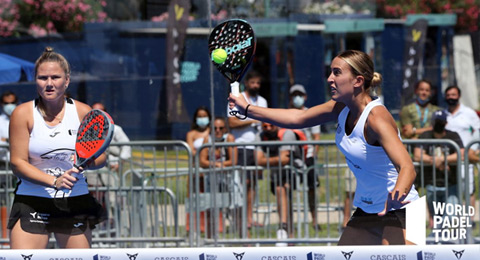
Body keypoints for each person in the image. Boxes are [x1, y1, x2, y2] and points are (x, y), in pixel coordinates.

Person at [229, 50, 419, 245]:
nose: (329, 79)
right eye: (330, 72)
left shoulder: (376, 118)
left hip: (403, 207)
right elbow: (298, 118)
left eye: (337, 73)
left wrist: (397, 195)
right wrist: (247, 109)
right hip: (368, 207)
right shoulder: (341, 108)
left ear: (358, 81)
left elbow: (407, 167)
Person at [7, 47, 107, 249]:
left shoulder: (82, 112)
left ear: (67, 80)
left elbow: (100, 158)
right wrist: (54, 181)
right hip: (32, 201)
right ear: (36, 80)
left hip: (74, 200)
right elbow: (17, 163)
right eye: (43, 78)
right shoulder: (22, 113)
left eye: (55, 77)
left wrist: (85, 162)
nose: (49, 83)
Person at [228, 70, 268, 229]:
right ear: (247, 83)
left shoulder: (263, 101)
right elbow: (232, 122)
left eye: (258, 83)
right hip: (241, 146)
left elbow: (266, 121)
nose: (255, 86)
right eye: (253, 83)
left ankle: (249, 217)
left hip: (257, 147)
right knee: (240, 184)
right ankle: (240, 219)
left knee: (252, 185)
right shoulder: (236, 99)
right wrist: (252, 119)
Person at [413, 110, 464, 228]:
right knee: (436, 217)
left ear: (446, 123)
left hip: (451, 184)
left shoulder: (453, 136)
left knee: (450, 217)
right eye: (437, 122)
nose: (439, 124)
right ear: (432, 122)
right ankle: (437, 242)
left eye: (441, 122)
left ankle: (440, 240)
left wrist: (442, 159)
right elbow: (417, 155)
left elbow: (461, 153)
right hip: (432, 184)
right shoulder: (425, 135)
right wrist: (434, 160)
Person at [256, 122, 298, 246]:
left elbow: (285, 159)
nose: (268, 128)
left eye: (271, 125)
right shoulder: (260, 136)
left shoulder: (287, 133)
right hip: (276, 173)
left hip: (295, 169)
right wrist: (276, 160)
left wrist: (266, 161)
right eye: (265, 126)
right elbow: (258, 160)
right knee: (284, 199)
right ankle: (289, 234)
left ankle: (283, 228)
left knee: (282, 190)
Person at [443, 85, 480, 221]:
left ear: (458, 96)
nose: (451, 97)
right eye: (448, 95)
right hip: (450, 160)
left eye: (453, 95)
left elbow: (478, 130)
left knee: (468, 190)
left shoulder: (469, 113)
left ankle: (469, 221)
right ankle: (456, 221)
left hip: (466, 159)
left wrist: (474, 149)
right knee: (453, 190)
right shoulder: (444, 114)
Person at [198, 117, 239, 237]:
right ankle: (210, 238)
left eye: (220, 128)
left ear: (225, 129)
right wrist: (217, 165)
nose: (217, 131)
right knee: (211, 208)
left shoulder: (229, 138)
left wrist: (218, 165)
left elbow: (233, 161)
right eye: (215, 128)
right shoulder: (207, 139)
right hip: (212, 179)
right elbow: (202, 161)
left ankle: (243, 239)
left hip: (230, 178)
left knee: (236, 208)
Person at [288, 84, 321, 229]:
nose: (297, 98)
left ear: (305, 97)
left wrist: (313, 155)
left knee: (312, 189)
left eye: (300, 95)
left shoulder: (311, 113)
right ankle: (289, 223)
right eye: (294, 95)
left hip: (308, 156)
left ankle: (314, 221)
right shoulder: (286, 113)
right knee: (288, 188)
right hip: (291, 157)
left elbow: (316, 137)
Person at [92, 102, 132, 172]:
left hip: (113, 169)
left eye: (101, 110)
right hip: (94, 169)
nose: (98, 113)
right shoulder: (87, 131)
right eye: (95, 111)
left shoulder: (115, 129)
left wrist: (119, 163)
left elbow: (126, 146)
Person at [0, 90, 18, 240]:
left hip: (21, 166)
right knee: (4, 202)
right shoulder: (0, 121)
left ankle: (14, 236)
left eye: (12, 102)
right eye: (6, 103)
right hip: (4, 166)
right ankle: (5, 237)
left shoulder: (22, 118)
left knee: (17, 202)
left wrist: (7, 140)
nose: (9, 106)